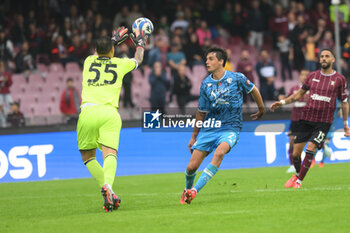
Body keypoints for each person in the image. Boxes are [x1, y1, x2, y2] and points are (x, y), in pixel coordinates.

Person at [180, 47, 265, 204]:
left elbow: (253, 90)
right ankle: (187, 189)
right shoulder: (206, 84)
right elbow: (201, 112)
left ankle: (194, 191)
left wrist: (261, 109)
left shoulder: (237, 78)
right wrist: (193, 137)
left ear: (221, 61)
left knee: (219, 153)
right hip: (210, 129)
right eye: (206, 59)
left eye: (211, 58)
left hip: (231, 128)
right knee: (191, 167)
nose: (207, 61)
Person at [77, 26, 147, 212]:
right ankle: (108, 187)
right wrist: (140, 44)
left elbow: (100, 51)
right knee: (109, 154)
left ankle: (108, 189)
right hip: (109, 113)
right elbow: (138, 59)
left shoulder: (88, 61)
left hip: (88, 112)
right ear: (113, 50)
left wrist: (113, 39)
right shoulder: (120, 63)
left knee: (88, 156)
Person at [270, 49, 350, 188]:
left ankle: (299, 182)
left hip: (324, 122)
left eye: (327, 56)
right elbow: (297, 95)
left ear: (333, 60)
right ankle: (297, 175)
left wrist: (345, 124)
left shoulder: (339, 79)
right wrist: (282, 103)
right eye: (322, 57)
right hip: (307, 119)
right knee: (296, 154)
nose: (324, 58)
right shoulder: (312, 76)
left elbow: (344, 102)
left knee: (311, 148)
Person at [285, 70, 310, 173]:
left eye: (306, 75)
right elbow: (289, 99)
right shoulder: (294, 89)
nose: (304, 77)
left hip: (307, 120)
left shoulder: (312, 89)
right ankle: (292, 165)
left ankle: (310, 161)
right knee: (291, 141)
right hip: (295, 120)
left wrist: (309, 102)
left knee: (310, 143)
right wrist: (282, 99)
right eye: (302, 74)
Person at [0, 60, 13, 127]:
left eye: (2, 67)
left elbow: (10, 83)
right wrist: (2, 80)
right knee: (0, 107)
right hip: (0, 93)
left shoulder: (6, 73)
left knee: (10, 105)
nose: (1, 69)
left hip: (6, 92)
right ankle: (2, 122)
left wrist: (7, 80)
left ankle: (11, 120)